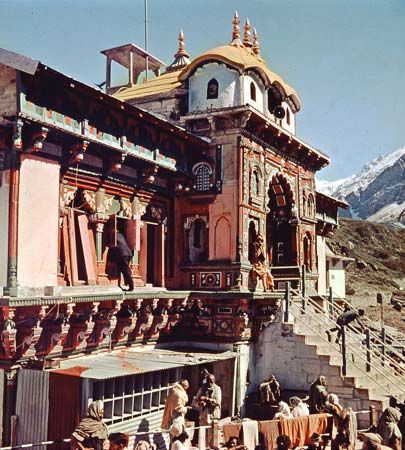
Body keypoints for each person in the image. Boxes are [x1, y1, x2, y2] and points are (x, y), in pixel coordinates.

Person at [194, 374, 221, 446]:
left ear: (214, 381)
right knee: (202, 430)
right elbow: (196, 399)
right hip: (204, 413)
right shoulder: (203, 387)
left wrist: (207, 399)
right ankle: (202, 445)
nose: (209, 383)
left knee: (211, 432)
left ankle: (210, 446)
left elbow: (218, 402)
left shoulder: (217, 389)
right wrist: (200, 402)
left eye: (211, 381)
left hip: (212, 413)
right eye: (208, 381)